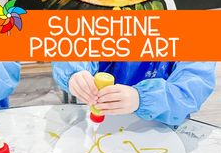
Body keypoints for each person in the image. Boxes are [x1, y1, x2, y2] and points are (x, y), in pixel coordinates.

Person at [52, 62, 216, 126]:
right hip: (99, 121)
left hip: (161, 121)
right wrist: (74, 73)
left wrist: (144, 98)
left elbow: (193, 87)